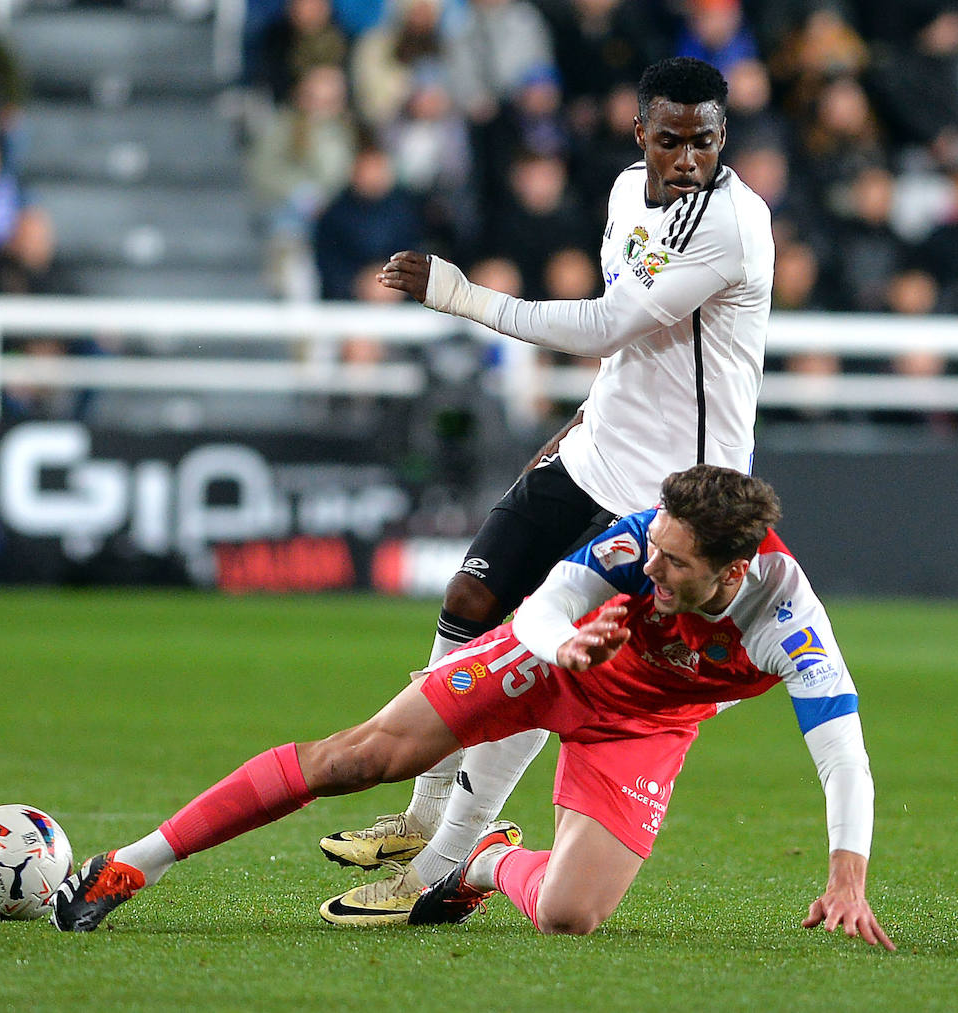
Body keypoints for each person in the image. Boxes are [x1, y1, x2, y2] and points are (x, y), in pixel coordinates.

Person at [48, 465, 894, 951]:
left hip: (645, 725)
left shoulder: (789, 620)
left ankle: (482, 861)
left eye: (676, 564)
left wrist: (846, 876)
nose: (655, 566)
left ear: (732, 572)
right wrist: (564, 647)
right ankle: (135, 863)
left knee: (571, 916)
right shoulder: (643, 539)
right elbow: (543, 606)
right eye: (657, 548)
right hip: (555, 663)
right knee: (361, 757)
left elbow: (841, 752)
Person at [313, 55, 774, 925]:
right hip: (594, 451)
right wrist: (571, 431)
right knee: (470, 594)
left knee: (537, 662)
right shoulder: (622, 195)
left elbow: (607, 323)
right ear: (640, 134)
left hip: (673, 498)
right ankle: (419, 818)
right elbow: (628, 357)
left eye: (704, 142)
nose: (686, 159)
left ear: (724, 139)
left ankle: (443, 865)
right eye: (669, 140)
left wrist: (459, 294)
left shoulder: (732, 227)